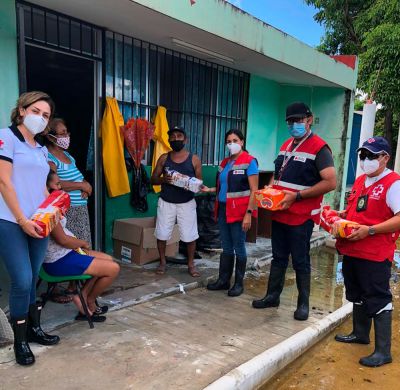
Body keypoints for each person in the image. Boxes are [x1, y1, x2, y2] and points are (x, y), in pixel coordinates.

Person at [252, 102, 336, 320]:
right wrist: (270, 188)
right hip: (280, 213)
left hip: (301, 216)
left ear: (309, 119)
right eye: (290, 121)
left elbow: (330, 182)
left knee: (300, 260)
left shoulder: (320, 148)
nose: (294, 125)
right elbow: (278, 173)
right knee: (278, 257)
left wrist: (297, 196)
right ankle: (272, 296)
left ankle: (303, 305)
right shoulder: (287, 144)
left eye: (299, 120)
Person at [0, 91, 60, 366]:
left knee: (34, 277)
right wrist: (23, 220)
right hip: (12, 221)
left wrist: (53, 209)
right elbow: (4, 182)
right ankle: (20, 341)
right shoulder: (6, 138)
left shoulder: (41, 148)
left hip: (39, 221)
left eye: (45, 115)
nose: (40, 118)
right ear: (22, 110)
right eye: (36, 111)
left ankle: (34, 329)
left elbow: (42, 186)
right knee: (22, 281)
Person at [333, 136, 400, 367]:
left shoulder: (393, 183)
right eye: (363, 155)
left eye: (372, 156)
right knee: (357, 293)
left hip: (375, 252)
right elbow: (358, 208)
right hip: (353, 249)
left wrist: (370, 230)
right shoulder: (362, 180)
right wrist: (342, 216)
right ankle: (360, 334)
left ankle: (383, 352)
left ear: (384, 158)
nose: (366, 160)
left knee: (378, 297)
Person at [44, 171, 120, 321]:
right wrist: (82, 243)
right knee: (113, 269)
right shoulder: (46, 210)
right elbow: (63, 240)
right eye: (58, 184)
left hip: (68, 253)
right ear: (46, 186)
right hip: (58, 260)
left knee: (109, 260)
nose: (61, 187)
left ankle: (83, 295)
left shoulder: (52, 204)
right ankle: (89, 300)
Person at [201, 129, 259, 296]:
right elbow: (224, 186)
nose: (231, 144)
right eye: (228, 141)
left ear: (242, 142)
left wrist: (249, 213)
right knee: (226, 246)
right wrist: (209, 189)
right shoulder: (225, 162)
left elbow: (254, 190)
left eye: (235, 140)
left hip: (240, 211)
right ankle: (223, 281)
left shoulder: (250, 161)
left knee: (238, 246)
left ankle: (238, 284)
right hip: (223, 209)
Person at [151, 126, 202, 277]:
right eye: (172, 137)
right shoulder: (163, 158)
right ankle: (162, 262)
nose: (175, 139)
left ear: (185, 139)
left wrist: (190, 184)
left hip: (187, 203)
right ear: (169, 140)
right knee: (161, 233)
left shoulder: (194, 159)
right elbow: (153, 179)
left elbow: (199, 182)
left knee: (190, 235)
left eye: (179, 136)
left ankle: (191, 264)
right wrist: (162, 179)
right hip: (166, 202)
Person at [46, 118, 92, 245]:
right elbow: (53, 184)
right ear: (51, 138)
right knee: (75, 246)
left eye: (67, 133)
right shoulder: (49, 158)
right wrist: (82, 185)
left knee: (85, 245)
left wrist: (86, 188)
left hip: (80, 209)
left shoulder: (69, 156)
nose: (66, 136)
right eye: (62, 133)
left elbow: (77, 177)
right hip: (68, 211)